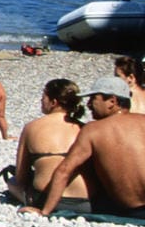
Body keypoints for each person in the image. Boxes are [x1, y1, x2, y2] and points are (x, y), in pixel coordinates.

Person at [23, 78, 145, 222]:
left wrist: (45, 211)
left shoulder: (92, 130)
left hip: (130, 210)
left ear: (112, 101)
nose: (89, 105)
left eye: (93, 99)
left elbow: (64, 171)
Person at [12, 79, 91, 211]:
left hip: (45, 200)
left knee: (12, 182)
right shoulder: (84, 129)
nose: (41, 101)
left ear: (54, 102)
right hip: (85, 202)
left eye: (43, 97)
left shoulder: (31, 127)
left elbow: (21, 176)